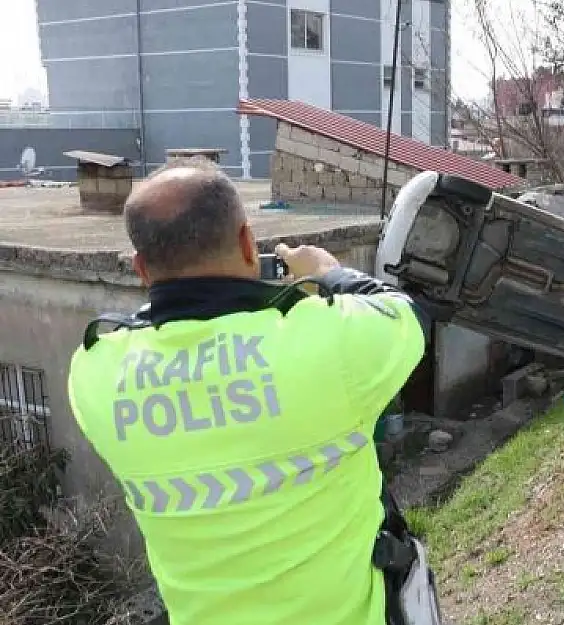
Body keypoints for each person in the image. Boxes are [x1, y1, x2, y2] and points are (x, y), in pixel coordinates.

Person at [67, 157, 432, 625]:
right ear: (246, 242)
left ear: (141, 267)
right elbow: (408, 316)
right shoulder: (327, 341)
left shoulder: (95, 373)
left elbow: (153, 329)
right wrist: (328, 272)